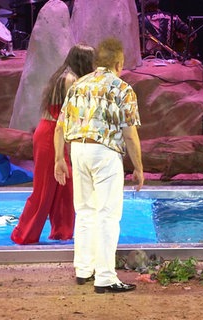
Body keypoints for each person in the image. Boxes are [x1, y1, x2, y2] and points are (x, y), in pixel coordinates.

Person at [54, 38, 144, 293]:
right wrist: (138, 167)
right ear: (119, 63)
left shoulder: (78, 85)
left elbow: (60, 125)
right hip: (104, 152)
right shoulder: (122, 88)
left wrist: (59, 158)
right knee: (107, 215)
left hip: (78, 150)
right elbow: (129, 133)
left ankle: (84, 269)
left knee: (84, 211)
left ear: (97, 62)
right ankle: (105, 276)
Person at [11, 44, 95, 245]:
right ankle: (24, 235)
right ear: (84, 61)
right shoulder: (70, 80)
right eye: (92, 60)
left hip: (54, 133)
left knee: (66, 186)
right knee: (44, 189)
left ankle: (62, 232)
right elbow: (75, 115)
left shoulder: (68, 75)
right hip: (50, 135)